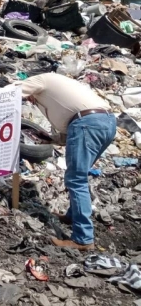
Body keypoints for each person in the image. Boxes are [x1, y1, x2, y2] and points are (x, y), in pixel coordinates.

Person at [18, 72, 116, 251]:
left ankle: (83, 239)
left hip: (87, 123)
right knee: (80, 175)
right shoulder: (60, 91)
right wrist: (50, 139)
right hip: (106, 122)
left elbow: (13, 91)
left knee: (76, 179)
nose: (30, 101)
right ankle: (73, 216)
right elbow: (70, 132)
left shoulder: (41, 79)